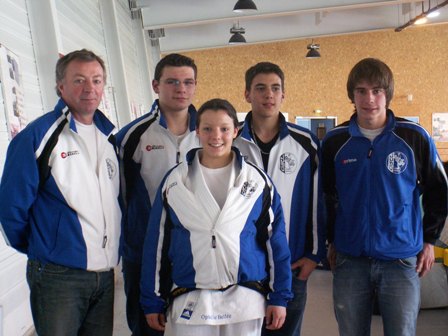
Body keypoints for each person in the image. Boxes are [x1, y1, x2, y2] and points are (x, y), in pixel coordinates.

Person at [140, 98, 293, 336]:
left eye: (224, 128)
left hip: (245, 297)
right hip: (190, 294)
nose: (216, 136)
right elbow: (156, 245)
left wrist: (279, 296)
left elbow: (276, 243)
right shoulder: (175, 181)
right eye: (208, 129)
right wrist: (152, 299)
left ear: (236, 131)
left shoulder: (256, 181)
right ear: (197, 131)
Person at [321, 57, 448, 336]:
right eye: (362, 91)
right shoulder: (335, 142)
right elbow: (326, 196)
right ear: (352, 95)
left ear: (387, 95)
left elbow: (439, 189)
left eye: (377, 90)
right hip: (350, 259)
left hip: (401, 260)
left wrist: (429, 240)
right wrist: (331, 239)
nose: (370, 99)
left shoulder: (413, 137)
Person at [0, 49, 121, 335]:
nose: (89, 88)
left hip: (104, 276)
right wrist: (45, 248)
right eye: (79, 80)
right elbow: (10, 207)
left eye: (97, 80)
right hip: (58, 276)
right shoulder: (38, 136)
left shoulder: (110, 138)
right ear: (60, 86)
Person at [233, 62, 326, 336]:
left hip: (291, 263)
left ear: (283, 94)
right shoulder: (229, 140)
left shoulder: (306, 144)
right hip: (242, 266)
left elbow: (317, 205)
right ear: (247, 94)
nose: (268, 95)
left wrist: (314, 255)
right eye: (260, 88)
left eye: (275, 88)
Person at [116, 53, 200, 335]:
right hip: (143, 253)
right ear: (156, 85)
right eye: (172, 82)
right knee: (146, 329)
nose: (181, 89)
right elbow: (119, 198)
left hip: (195, 253)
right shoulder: (134, 137)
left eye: (188, 82)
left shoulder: (209, 132)